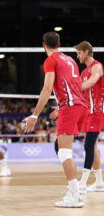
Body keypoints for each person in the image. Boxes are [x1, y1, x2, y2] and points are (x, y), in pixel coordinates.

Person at [24, 32, 87, 208]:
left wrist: (34, 115)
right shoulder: (70, 59)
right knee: (60, 148)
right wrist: (61, 107)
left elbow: (46, 89)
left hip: (71, 108)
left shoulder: (50, 60)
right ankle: (74, 189)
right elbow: (75, 86)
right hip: (79, 106)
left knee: (64, 153)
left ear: (43, 44)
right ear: (59, 44)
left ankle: (75, 195)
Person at [74, 41, 104, 192]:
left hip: (97, 111)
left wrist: (74, 87)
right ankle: (99, 183)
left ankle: (83, 182)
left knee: (88, 145)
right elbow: (78, 94)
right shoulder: (83, 73)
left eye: (79, 53)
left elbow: (93, 81)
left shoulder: (97, 67)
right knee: (92, 146)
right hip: (88, 112)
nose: (77, 56)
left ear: (86, 52)